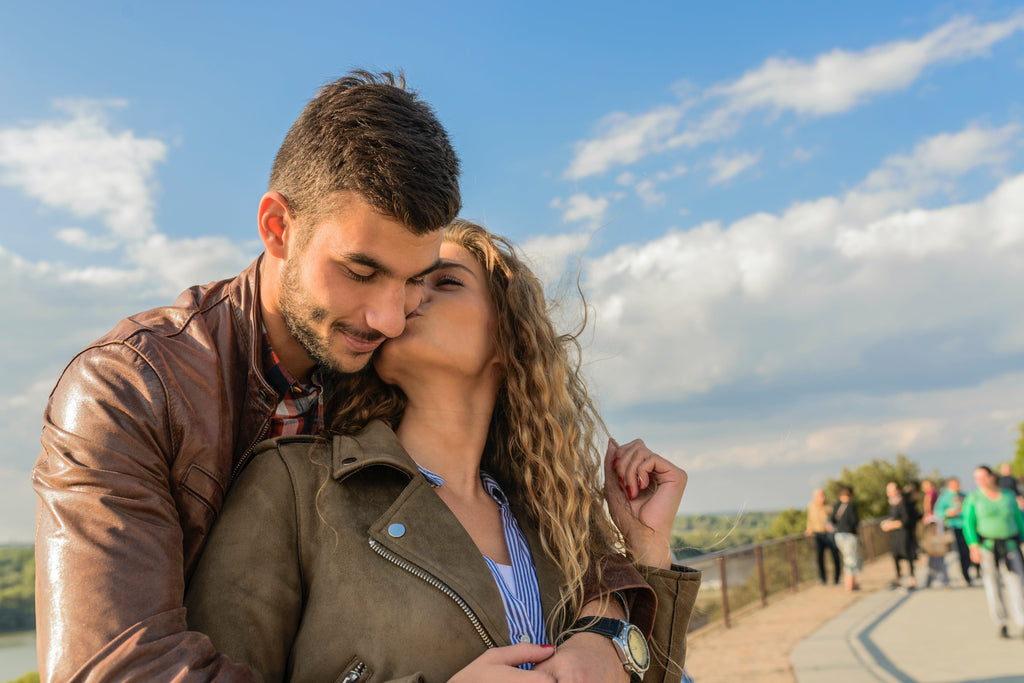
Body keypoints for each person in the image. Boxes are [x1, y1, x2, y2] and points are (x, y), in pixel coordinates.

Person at [32, 72, 649, 682]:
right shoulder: (127, 389)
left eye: (416, 278)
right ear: (277, 228)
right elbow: (114, 670)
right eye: (360, 271)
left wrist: (610, 625)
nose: (391, 316)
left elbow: (565, 526)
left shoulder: (382, 385)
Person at [185, 220, 701, 682]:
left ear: (508, 339)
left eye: (444, 281)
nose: (408, 299)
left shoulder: (555, 521)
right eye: (408, 284)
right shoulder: (294, 487)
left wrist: (648, 548)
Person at [963, 465, 1024, 638]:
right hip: (988, 547)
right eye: (977, 478)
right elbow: (969, 523)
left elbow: (1019, 519)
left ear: (992, 477)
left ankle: (1022, 620)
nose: (980, 482)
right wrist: (973, 545)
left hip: (1010, 544)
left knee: (1017, 582)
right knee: (993, 584)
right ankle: (1001, 621)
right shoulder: (974, 498)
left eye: (983, 477)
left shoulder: (1008, 496)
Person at [934, 477, 977, 586]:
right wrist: (948, 513)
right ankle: (965, 575)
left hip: (967, 526)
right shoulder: (945, 497)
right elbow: (938, 511)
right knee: (961, 552)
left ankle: (973, 570)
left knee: (969, 550)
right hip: (954, 526)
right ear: (949, 485)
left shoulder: (965, 495)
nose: (958, 486)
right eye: (955, 484)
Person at [880, 482, 918, 589]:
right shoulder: (892, 503)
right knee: (895, 555)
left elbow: (906, 520)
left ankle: (912, 579)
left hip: (905, 534)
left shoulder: (903, 503)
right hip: (896, 534)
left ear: (897, 491)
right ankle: (899, 579)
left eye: (890, 490)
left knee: (908, 555)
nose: (888, 493)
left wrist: (892, 525)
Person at [806, 489, 840, 585]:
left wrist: (832, 526)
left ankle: (837, 578)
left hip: (830, 535)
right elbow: (809, 519)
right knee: (820, 558)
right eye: (817, 496)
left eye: (821, 495)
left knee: (835, 556)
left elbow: (835, 519)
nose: (819, 498)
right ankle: (823, 579)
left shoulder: (830, 506)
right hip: (818, 534)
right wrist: (809, 528)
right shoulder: (811, 506)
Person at [830, 484, 861, 592]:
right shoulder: (851, 506)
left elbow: (832, 520)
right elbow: (855, 521)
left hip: (839, 536)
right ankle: (850, 584)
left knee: (846, 558)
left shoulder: (836, 505)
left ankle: (851, 582)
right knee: (851, 559)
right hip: (850, 535)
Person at [920, 520, 950, 589]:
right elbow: (925, 545)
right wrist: (931, 552)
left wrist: (942, 552)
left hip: (940, 555)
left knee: (943, 569)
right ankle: (928, 583)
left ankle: (946, 583)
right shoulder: (927, 536)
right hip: (932, 555)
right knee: (931, 570)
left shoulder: (940, 535)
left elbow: (945, 544)